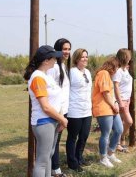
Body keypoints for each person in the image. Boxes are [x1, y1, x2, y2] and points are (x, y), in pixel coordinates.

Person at [24, 45, 68, 177]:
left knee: (48, 155)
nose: (56, 60)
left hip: (51, 121)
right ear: (46, 60)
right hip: (44, 122)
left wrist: (59, 118)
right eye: (54, 58)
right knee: (42, 160)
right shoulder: (38, 77)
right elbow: (45, 106)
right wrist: (62, 119)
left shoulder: (45, 76)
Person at [47, 38, 71, 177]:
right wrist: (60, 114)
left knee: (55, 141)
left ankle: (53, 170)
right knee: (52, 143)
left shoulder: (62, 66)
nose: (66, 52)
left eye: (68, 49)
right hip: (57, 111)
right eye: (64, 49)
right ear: (57, 50)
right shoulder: (54, 67)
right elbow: (51, 92)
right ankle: (55, 171)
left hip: (63, 110)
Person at [92, 57, 123, 168]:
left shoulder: (107, 75)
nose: (117, 71)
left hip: (111, 107)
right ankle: (103, 158)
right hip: (103, 108)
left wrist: (115, 103)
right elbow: (105, 93)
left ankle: (110, 153)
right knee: (106, 134)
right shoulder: (103, 73)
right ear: (112, 66)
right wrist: (114, 105)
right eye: (117, 68)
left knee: (119, 129)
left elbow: (109, 93)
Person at [66, 48, 92, 172]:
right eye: (82, 57)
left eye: (86, 56)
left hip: (87, 110)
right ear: (76, 59)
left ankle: (79, 157)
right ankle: (72, 163)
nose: (85, 59)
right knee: (72, 137)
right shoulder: (71, 72)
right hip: (74, 110)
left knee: (84, 136)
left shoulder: (87, 71)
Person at [113, 48, 133, 151]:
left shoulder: (125, 70)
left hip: (127, 99)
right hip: (121, 100)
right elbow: (116, 86)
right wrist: (120, 101)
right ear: (125, 57)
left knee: (120, 122)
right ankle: (121, 137)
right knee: (129, 121)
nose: (130, 57)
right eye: (128, 55)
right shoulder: (119, 71)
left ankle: (117, 144)